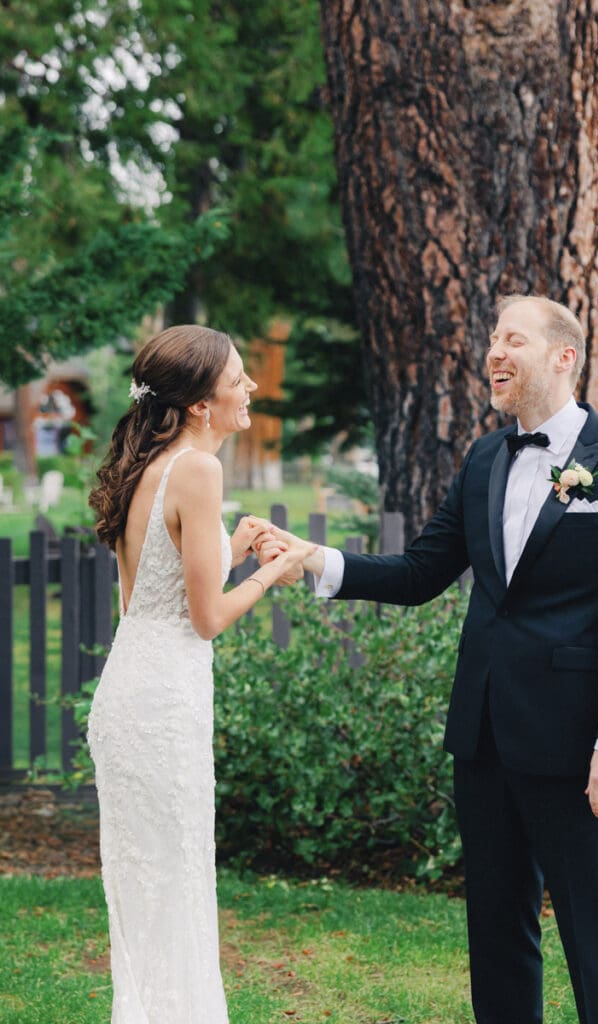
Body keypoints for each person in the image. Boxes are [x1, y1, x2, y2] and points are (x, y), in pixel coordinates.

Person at [260, 295, 598, 1024]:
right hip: (484, 738)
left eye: (512, 338)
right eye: (491, 338)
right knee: (495, 932)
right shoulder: (486, 456)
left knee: (596, 938)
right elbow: (423, 571)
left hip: (581, 747)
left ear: (563, 357)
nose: (493, 351)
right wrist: (316, 561)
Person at [87, 325, 312, 1024]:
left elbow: (152, 592)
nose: (250, 388)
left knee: (156, 886)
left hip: (134, 686)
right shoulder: (198, 469)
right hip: (162, 702)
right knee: (174, 881)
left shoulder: (152, 464)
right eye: (238, 379)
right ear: (198, 404)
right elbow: (207, 618)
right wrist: (274, 569)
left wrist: (231, 548)